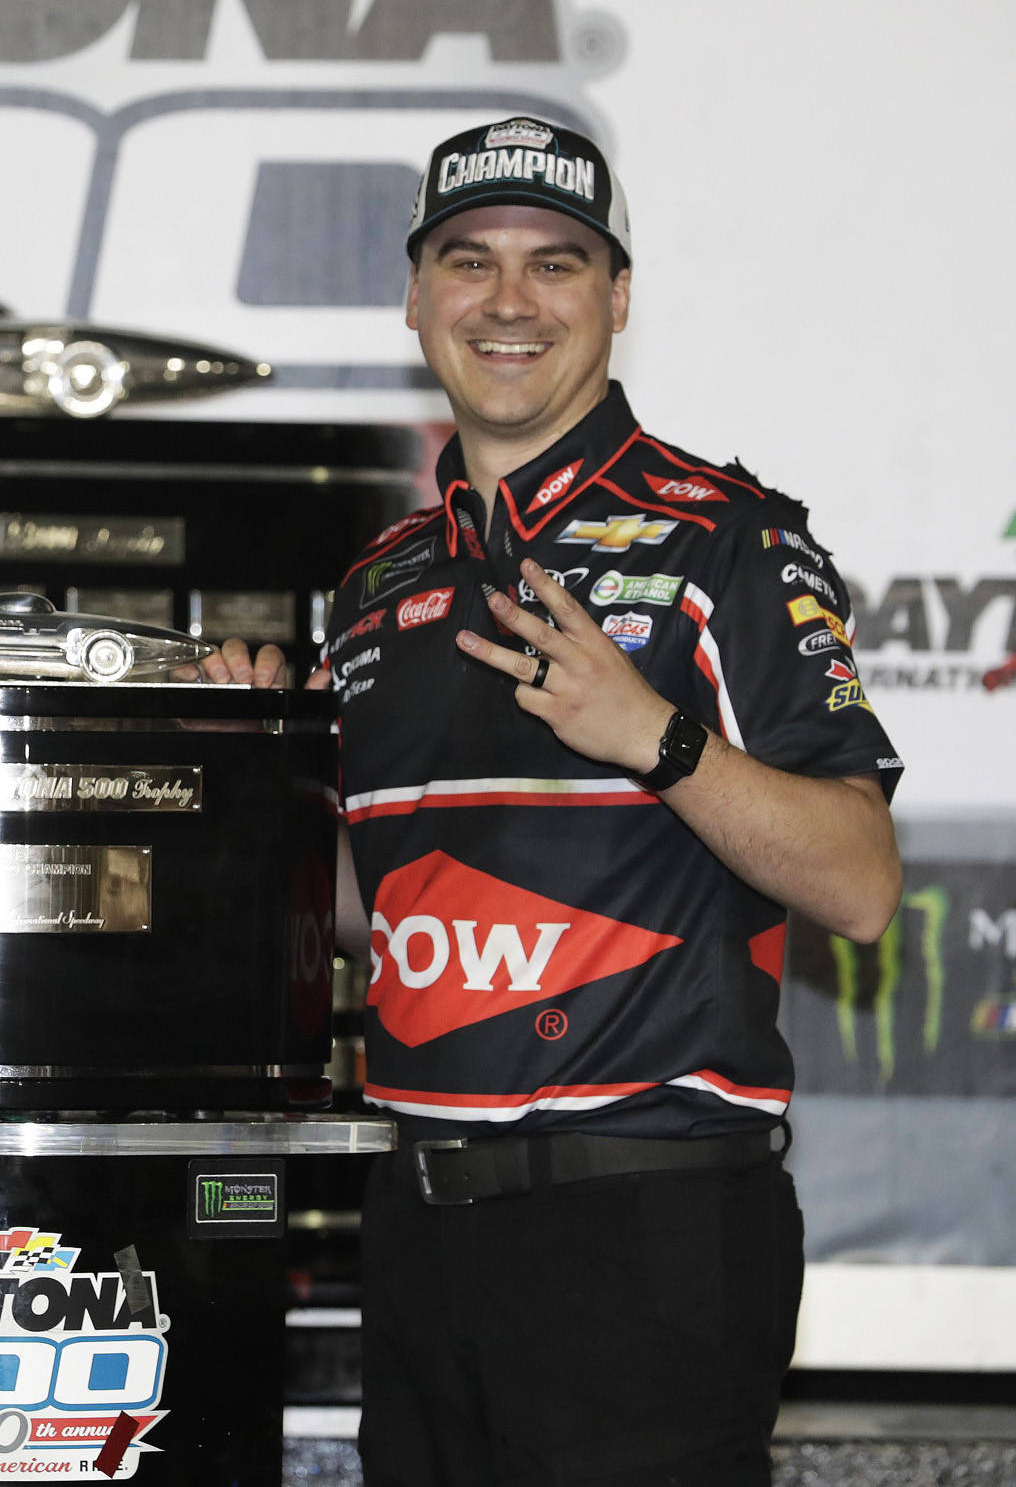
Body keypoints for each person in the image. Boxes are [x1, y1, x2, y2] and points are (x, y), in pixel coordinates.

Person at [202, 119, 903, 1484]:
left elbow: (862, 882)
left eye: (556, 264)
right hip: (415, 1228)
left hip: (648, 1225)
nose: (509, 302)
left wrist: (656, 736)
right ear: (417, 300)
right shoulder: (376, 585)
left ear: (617, 298)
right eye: (469, 262)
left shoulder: (729, 539)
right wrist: (256, 796)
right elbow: (381, 915)